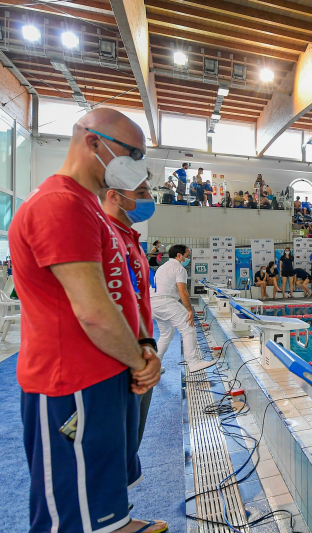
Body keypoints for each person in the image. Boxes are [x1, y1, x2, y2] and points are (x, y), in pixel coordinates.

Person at [9, 108, 166, 533]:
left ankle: (116, 521)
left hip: (103, 372)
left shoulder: (88, 209)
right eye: (133, 153)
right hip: (71, 380)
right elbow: (94, 311)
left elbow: (122, 294)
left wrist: (145, 345)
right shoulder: (59, 204)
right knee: (70, 512)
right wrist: (140, 362)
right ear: (93, 142)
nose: (137, 166)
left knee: (98, 494)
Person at [100, 174, 159, 447]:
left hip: (141, 352)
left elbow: (135, 298)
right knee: (116, 448)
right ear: (114, 196)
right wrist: (137, 356)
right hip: (122, 360)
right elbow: (106, 306)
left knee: (129, 446)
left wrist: (147, 346)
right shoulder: (106, 234)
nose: (150, 199)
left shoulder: (129, 237)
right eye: (142, 192)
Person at [152, 244, 215, 374]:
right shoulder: (179, 268)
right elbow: (183, 292)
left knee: (166, 334)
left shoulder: (163, 267)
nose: (188, 259)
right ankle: (193, 363)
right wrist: (189, 310)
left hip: (153, 303)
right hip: (165, 301)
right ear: (179, 255)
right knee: (188, 328)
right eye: (187, 256)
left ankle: (154, 366)